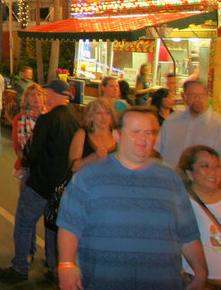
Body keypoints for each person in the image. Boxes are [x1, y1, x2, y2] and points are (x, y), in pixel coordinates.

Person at [57, 109, 207, 290]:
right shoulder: (89, 176)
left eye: (150, 133)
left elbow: (187, 231)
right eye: (136, 132)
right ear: (117, 136)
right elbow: (69, 225)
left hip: (162, 282)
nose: (144, 139)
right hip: (104, 282)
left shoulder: (170, 179)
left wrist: (201, 271)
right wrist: (66, 265)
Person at [0, 79, 80, 283]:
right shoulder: (75, 121)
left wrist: (25, 162)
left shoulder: (47, 119)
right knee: (53, 228)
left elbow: (33, 152)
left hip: (40, 183)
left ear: (55, 94)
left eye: (47, 92)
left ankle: (20, 267)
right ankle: (54, 267)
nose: (45, 96)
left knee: (25, 224)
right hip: (61, 185)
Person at [179, 145, 221, 287]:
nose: (213, 172)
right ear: (190, 173)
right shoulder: (180, 203)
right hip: (198, 282)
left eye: (217, 166)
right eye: (205, 166)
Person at [156, 81, 221, 167]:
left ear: (207, 97)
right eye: (192, 95)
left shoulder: (217, 124)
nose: (197, 98)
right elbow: (158, 151)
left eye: (201, 95)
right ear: (184, 97)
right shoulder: (171, 121)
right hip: (169, 177)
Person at [68, 99, 116, 174]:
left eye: (107, 113)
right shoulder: (82, 134)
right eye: (99, 113)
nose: (104, 117)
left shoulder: (118, 136)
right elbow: (73, 167)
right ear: (91, 116)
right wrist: (94, 157)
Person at [12, 83, 46, 183]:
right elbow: (17, 146)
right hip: (27, 166)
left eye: (39, 94)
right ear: (26, 99)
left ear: (44, 97)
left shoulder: (50, 117)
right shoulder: (20, 119)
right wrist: (26, 163)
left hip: (45, 166)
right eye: (32, 95)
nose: (36, 98)